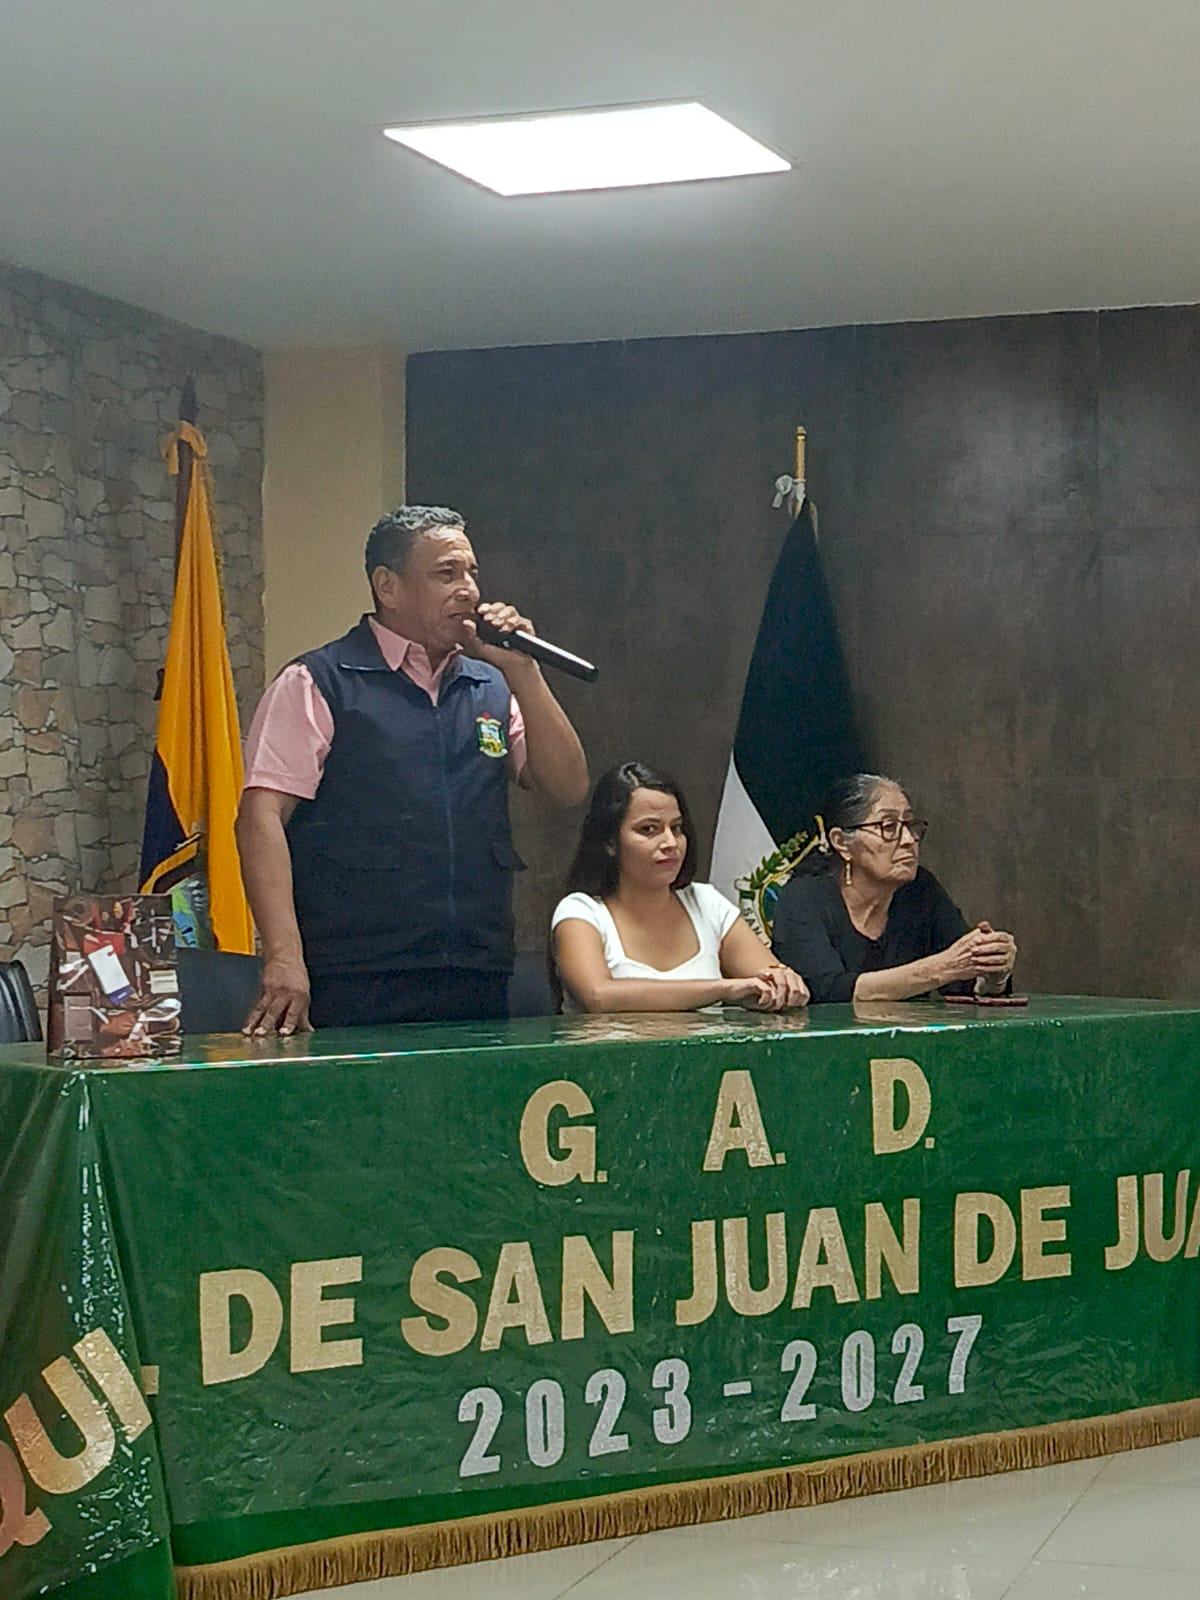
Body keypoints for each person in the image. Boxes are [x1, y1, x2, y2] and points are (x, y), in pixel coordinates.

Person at [236, 505, 589, 1033]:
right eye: (447, 573)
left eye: (471, 573)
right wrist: (284, 956)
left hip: (476, 968)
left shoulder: (489, 685)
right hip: (357, 974)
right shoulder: (320, 681)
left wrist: (523, 670)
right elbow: (260, 818)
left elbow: (567, 786)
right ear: (388, 586)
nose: (469, 590)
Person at [551, 762, 809, 1013]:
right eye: (649, 829)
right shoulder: (582, 911)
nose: (670, 843)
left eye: (676, 828)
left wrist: (784, 983)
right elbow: (598, 996)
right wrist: (723, 989)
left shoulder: (706, 903)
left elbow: (770, 979)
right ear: (610, 842)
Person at [770, 773, 1017, 1004]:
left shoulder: (921, 889)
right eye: (888, 827)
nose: (909, 840)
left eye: (909, 825)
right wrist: (942, 968)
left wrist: (992, 973)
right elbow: (826, 991)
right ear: (841, 842)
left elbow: (964, 983)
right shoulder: (804, 897)